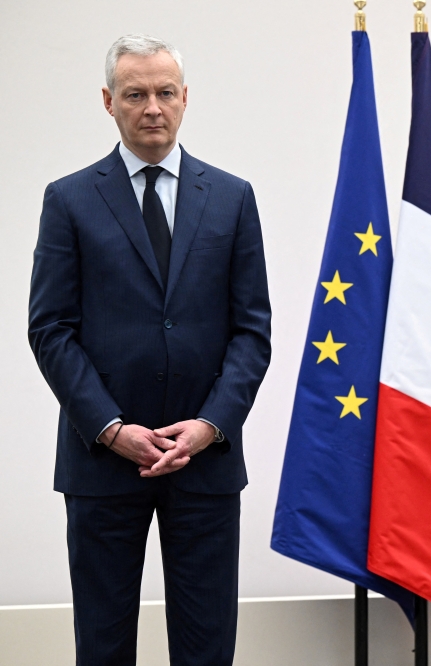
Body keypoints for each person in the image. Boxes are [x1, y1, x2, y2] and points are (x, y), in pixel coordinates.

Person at [27, 34, 271, 665]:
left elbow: (252, 331)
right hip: (103, 463)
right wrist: (111, 429)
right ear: (109, 102)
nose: (152, 107)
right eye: (135, 94)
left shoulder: (232, 198)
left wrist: (210, 426)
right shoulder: (70, 199)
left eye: (165, 93)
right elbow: (50, 328)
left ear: (186, 99)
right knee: (104, 646)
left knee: (206, 647)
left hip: (205, 461)